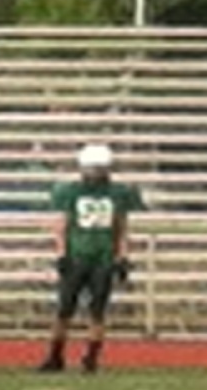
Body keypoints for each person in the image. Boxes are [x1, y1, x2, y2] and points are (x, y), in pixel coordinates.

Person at [42, 143, 142, 373]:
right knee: (64, 310)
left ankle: (91, 358)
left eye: (99, 168)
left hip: (103, 257)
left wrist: (122, 256)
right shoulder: (71, 191)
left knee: (97, 311)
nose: (95, 173)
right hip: (77, 256)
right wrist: (61, 254)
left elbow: (121, 227)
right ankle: (56, 356)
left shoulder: (118, 193)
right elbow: (62, 224)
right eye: (92, 168)